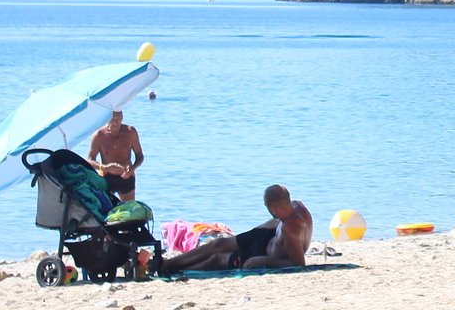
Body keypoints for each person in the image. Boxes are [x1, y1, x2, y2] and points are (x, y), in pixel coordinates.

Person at [160, 185, 313, 273]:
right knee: (218, 244)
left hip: (264, 254)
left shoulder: (291, 230)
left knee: (216, 259)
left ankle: (173, 269)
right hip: (268, 235)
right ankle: (168, 263)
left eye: (266, 206)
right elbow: (281, 220)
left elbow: (299, 265)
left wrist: (263, 260)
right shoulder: (296, 206)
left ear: (273, 207)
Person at [87, 110, 144, 202]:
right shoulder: (99, 136)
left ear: (122, 118)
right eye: (112, 119)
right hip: (107, 177)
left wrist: (133, 168)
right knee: (106, 208)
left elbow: (140, 156)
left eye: (118, 119)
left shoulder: (131, 132)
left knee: (129, 208)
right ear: (107, 119)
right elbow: (90, 160)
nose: (115, 122)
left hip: (126, 176)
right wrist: (104, 167)